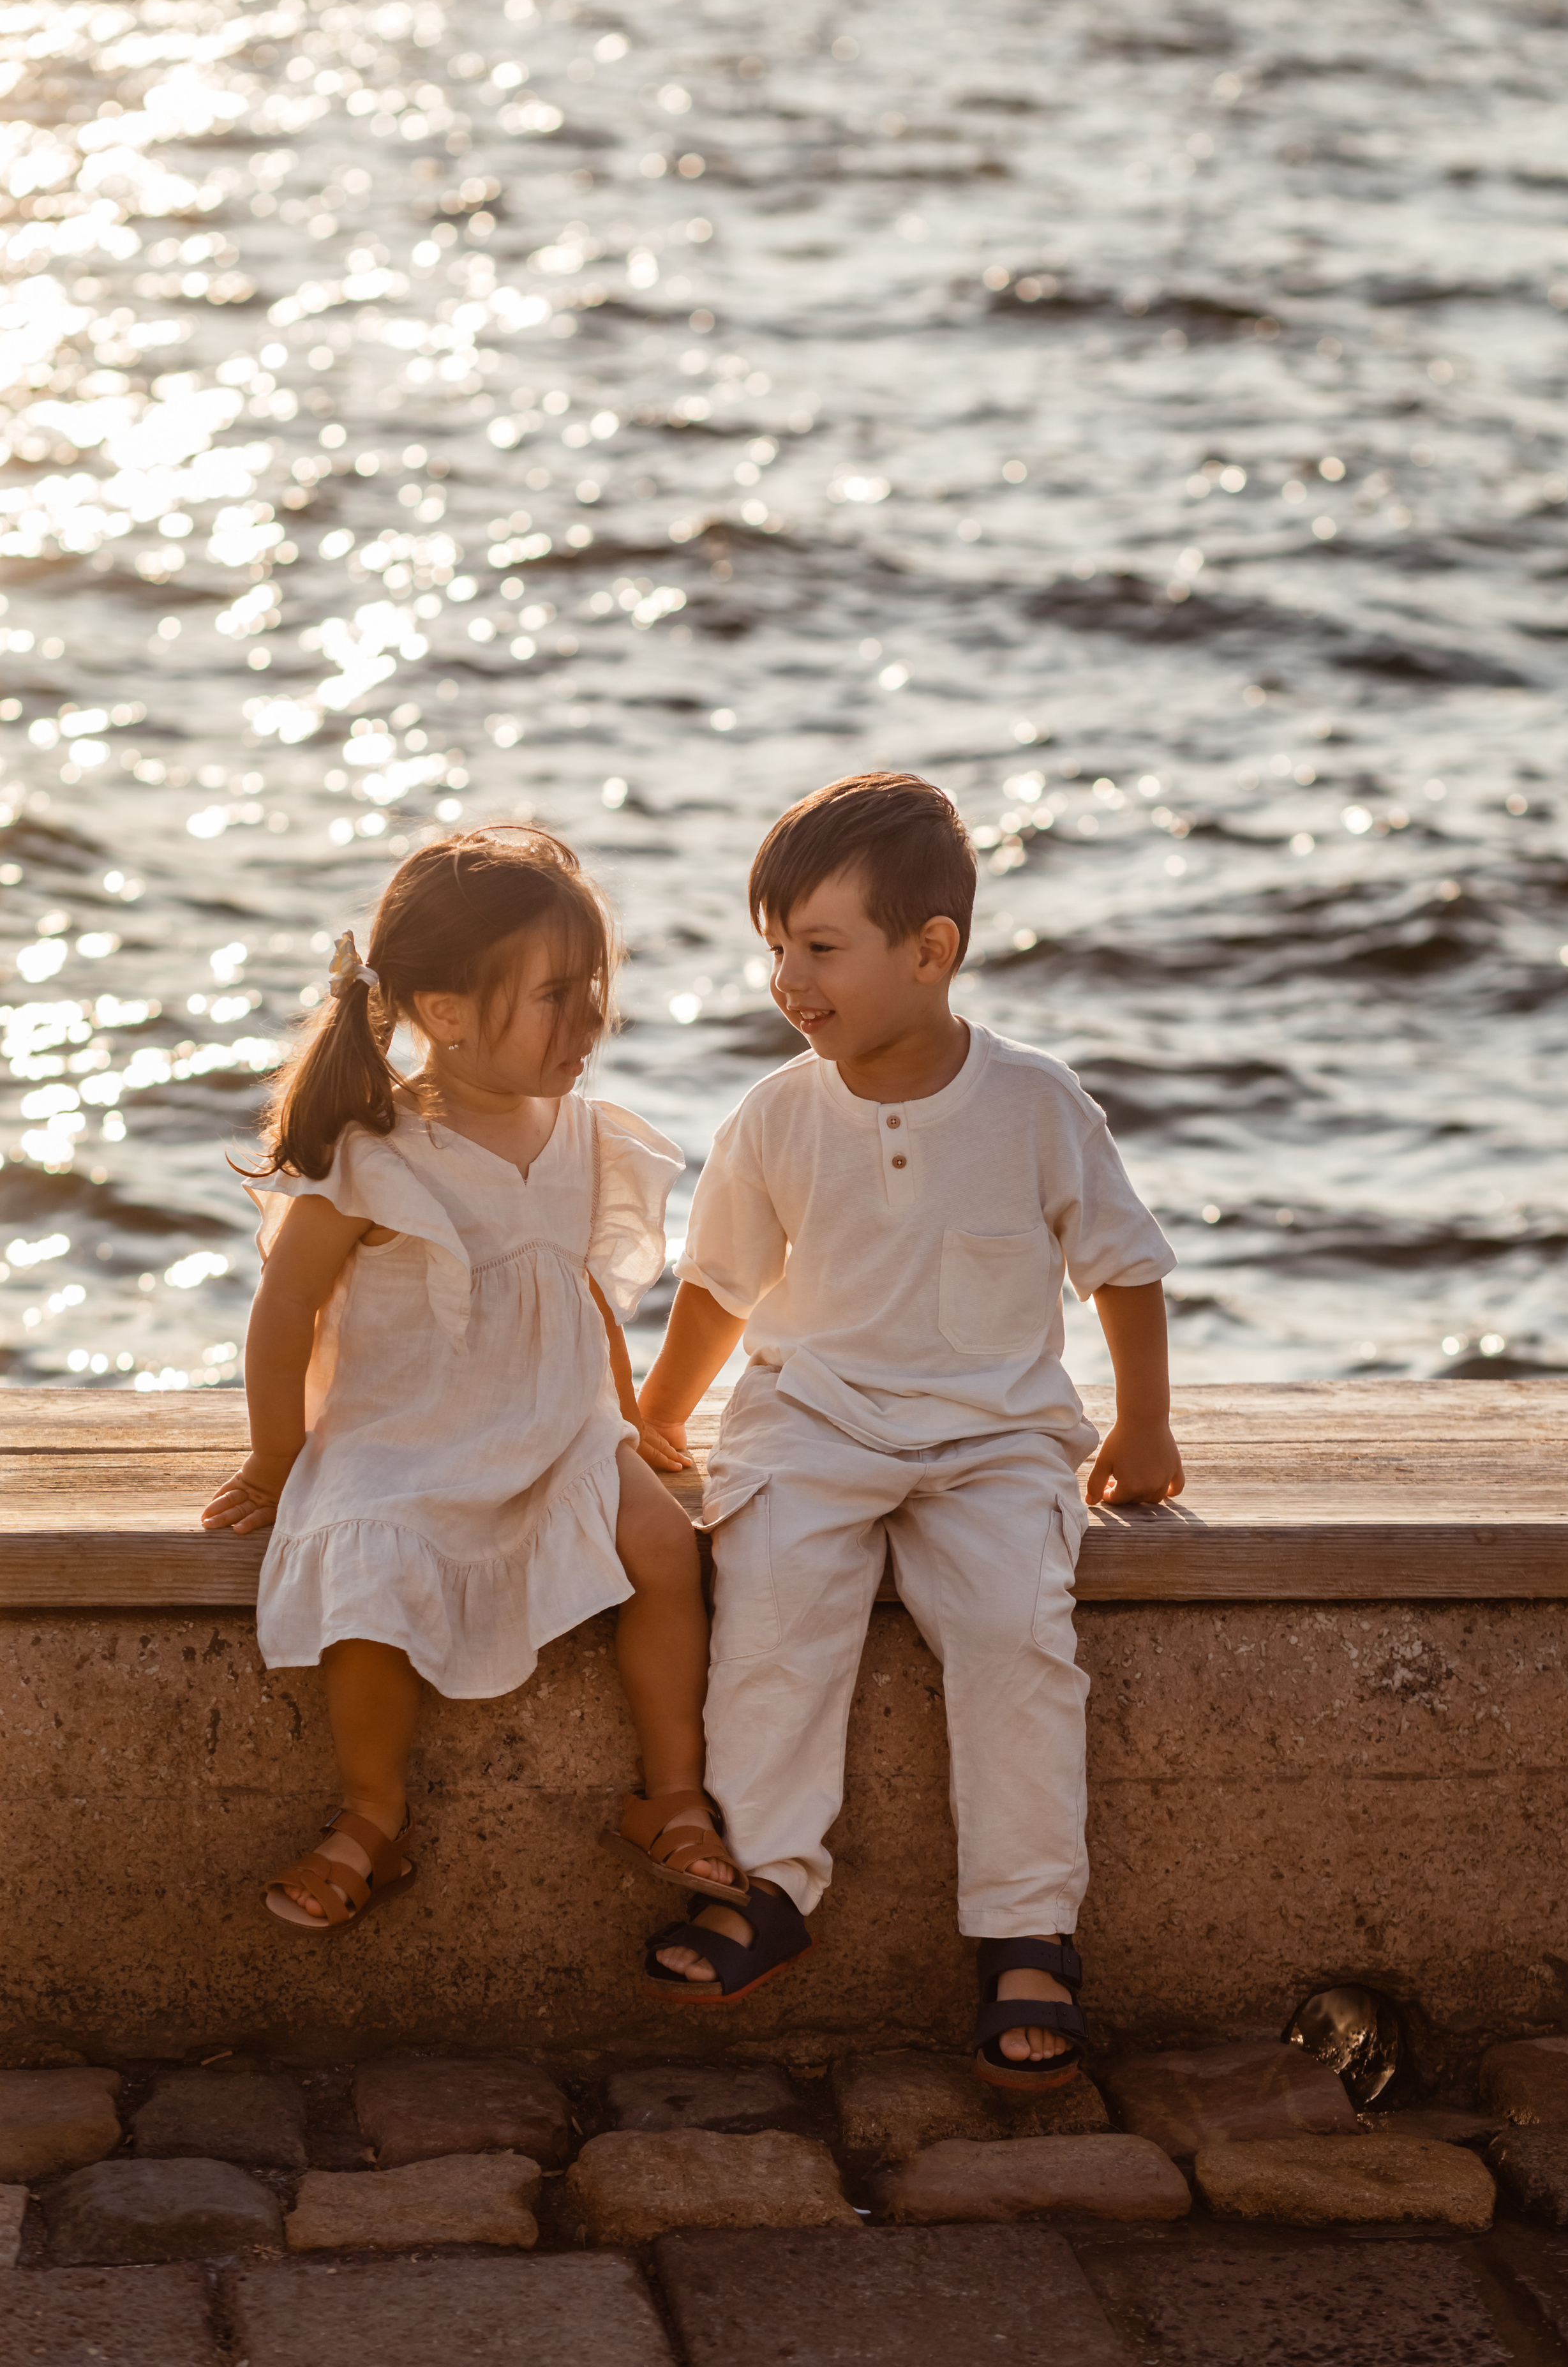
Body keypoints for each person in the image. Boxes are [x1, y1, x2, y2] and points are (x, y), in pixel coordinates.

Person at [635, 772, 1184, 2086]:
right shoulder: (774, 1115)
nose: (788, 978)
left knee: (1013, 1633)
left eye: (819, 948)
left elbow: (1122, 1267)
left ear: (929, 952)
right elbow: (715, 1289)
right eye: (774, 947)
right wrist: (655, 1419)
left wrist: (1144, 1428)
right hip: (809, 1422)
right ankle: (769, 1884)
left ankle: (1024, 1926)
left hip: (991, 1438)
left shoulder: (1036, 1104)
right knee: (770, 1610)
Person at [201, 823, 747, 1934]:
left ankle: (675, 1796)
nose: (589, 1017)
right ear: (444, 1013)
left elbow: (583, 1292)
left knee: (662, 1548)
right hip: (405, 1435)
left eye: (593, 986)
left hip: (558, 1426)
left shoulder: (587, 1137)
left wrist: (633, 1418)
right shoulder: (379, 1153)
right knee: (368, 1568)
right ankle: (371, 1817)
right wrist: (275, 1460)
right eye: (555, 994)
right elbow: (286, 1310)